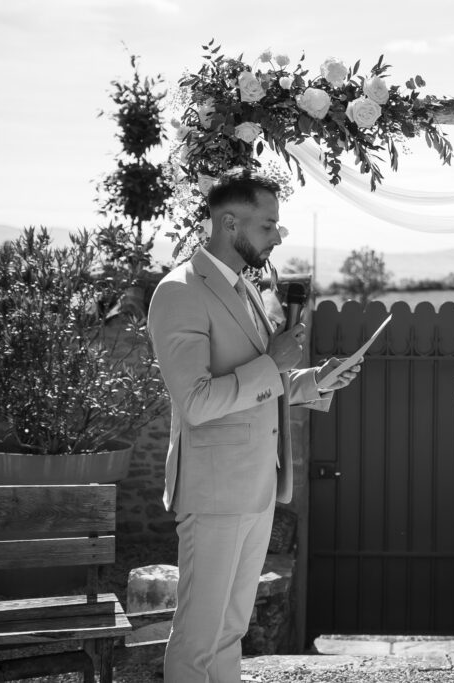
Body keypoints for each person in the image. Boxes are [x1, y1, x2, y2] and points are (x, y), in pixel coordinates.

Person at [148, 173, 361, 683]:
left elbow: (268, 377)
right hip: (216, 489)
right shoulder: (180, 291)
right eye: (268, 224)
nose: (278, 235)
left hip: (256, 485)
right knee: (198, 635)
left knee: (230, 630)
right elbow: (196, 402)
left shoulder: (244, 286)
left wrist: (314, 380)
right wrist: (275, 363)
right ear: (228, 223)